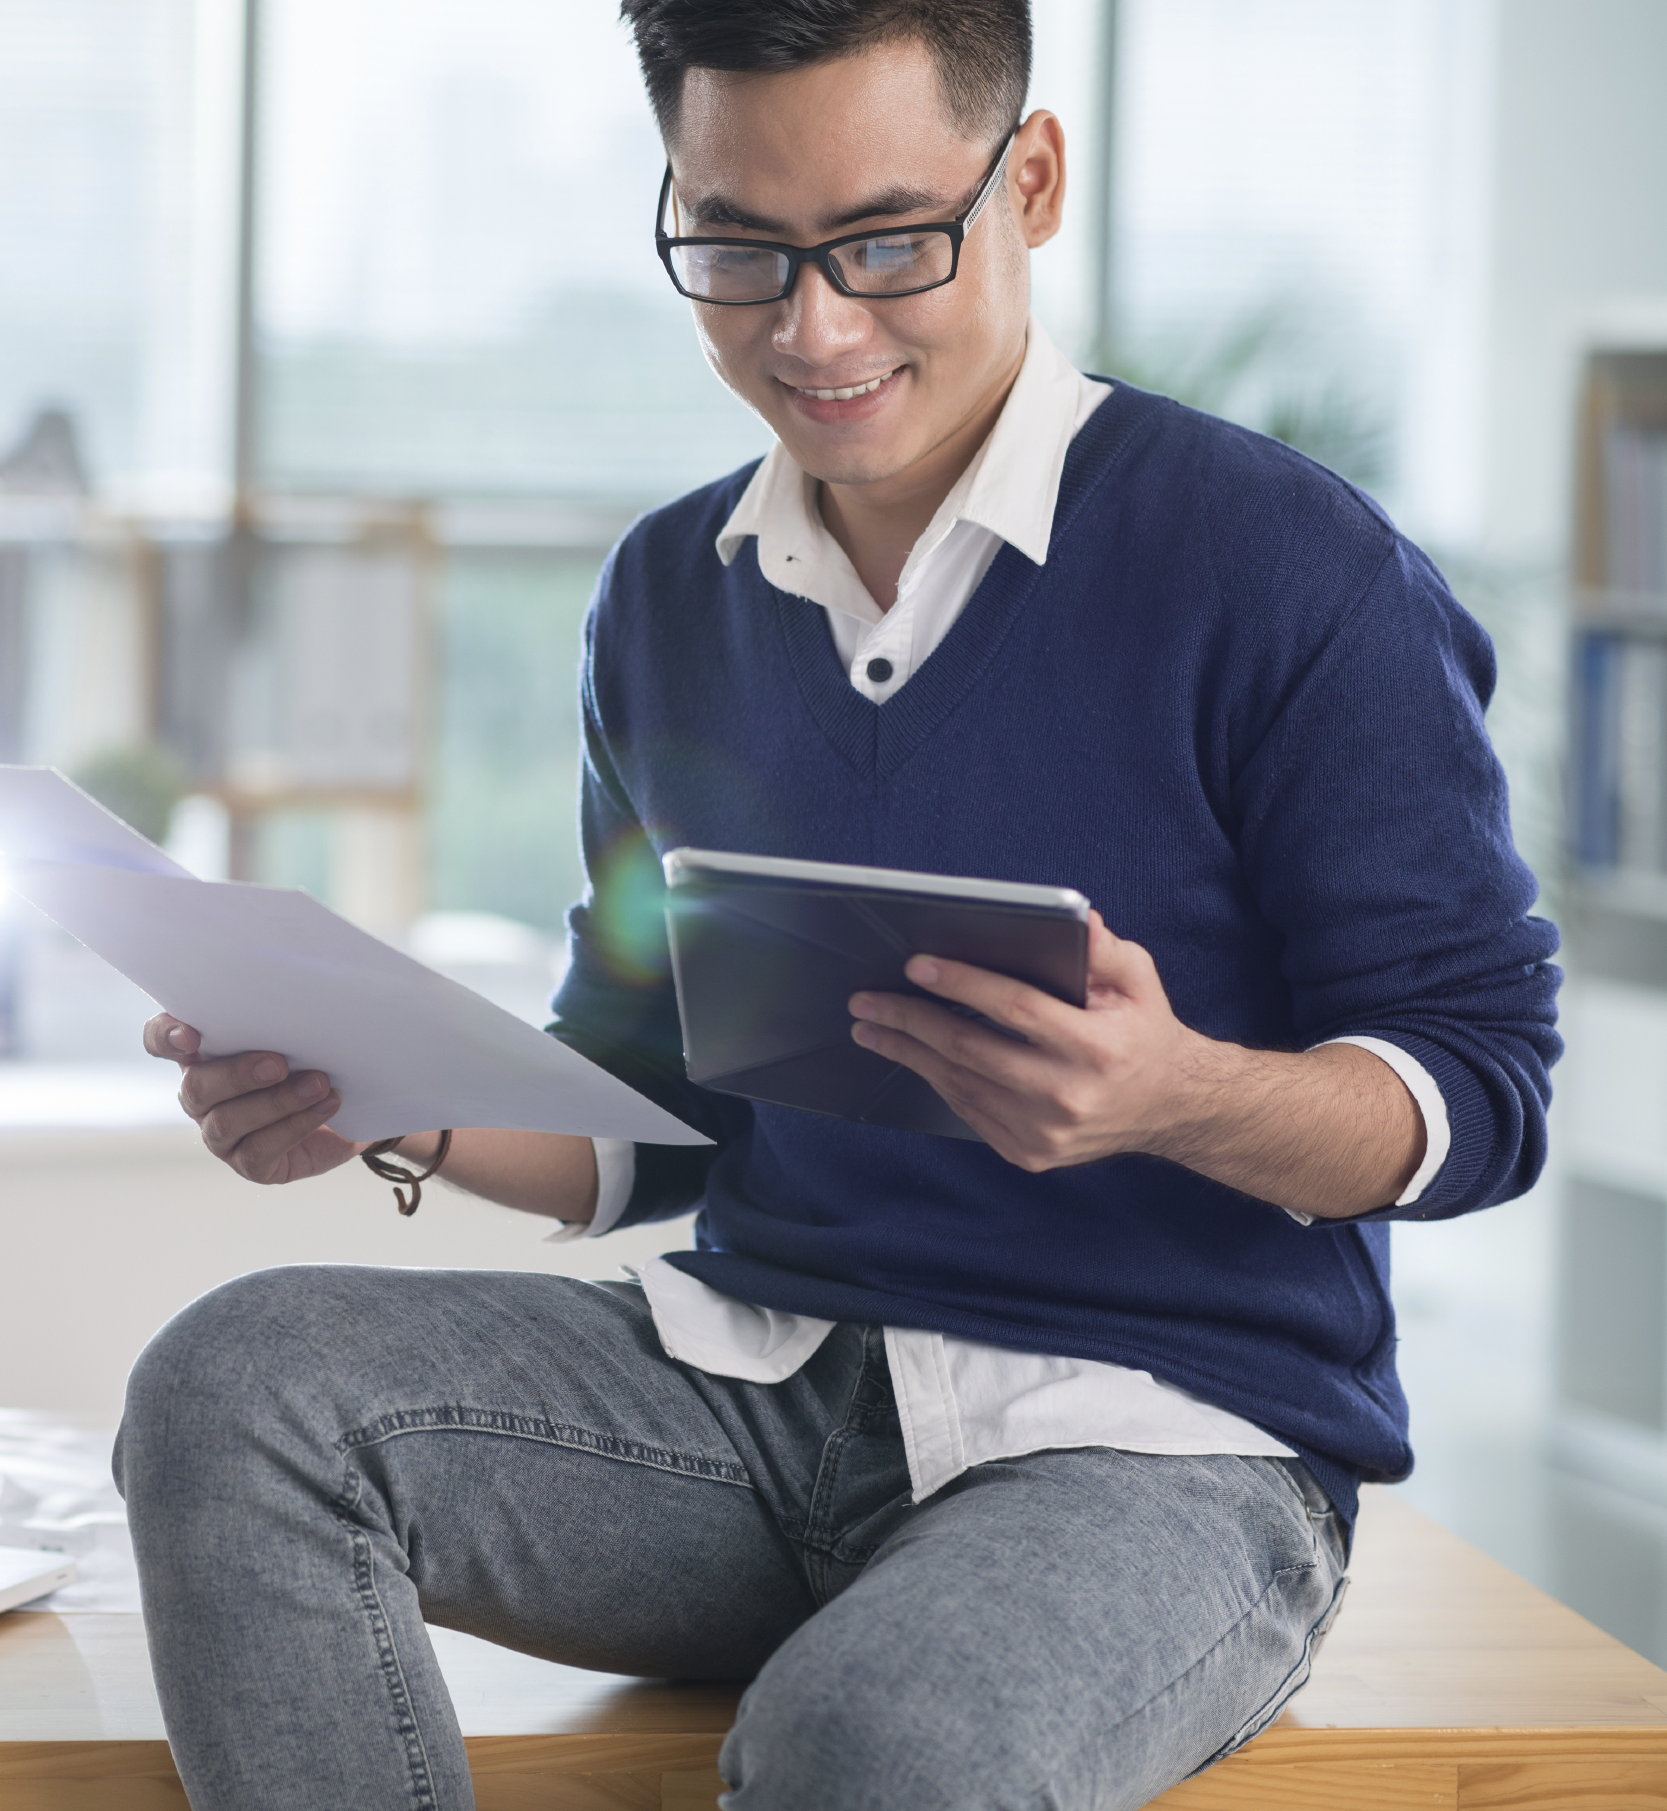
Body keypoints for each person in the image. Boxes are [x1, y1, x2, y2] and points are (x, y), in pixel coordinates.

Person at [115, 2, 1562, 1806]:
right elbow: (660, 1109)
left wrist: (1173, 1095)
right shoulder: (666, 595)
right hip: (751, 1397)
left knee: (868, 1744)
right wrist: (394, 1100)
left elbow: (1481, 1097)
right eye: (737, 249)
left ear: (1026, 183)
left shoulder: (1287, 571)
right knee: (235, 1382)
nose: (813, 328)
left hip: (1156, 1449)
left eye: (886, 244)